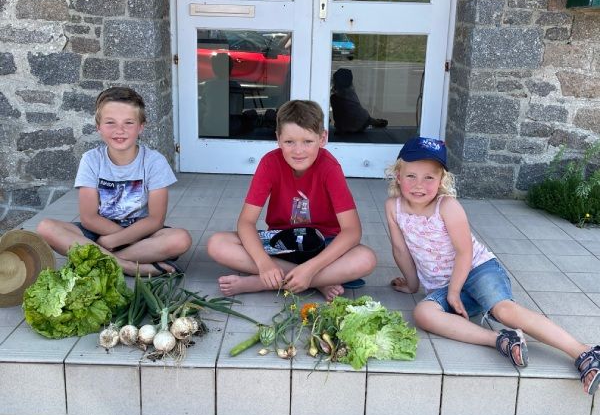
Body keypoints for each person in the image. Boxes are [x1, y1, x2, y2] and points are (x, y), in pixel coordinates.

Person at [385, 136, 600, 396]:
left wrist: (453, 293)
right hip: (445, 284)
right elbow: (400, 249)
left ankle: (584, 352)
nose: (419, 185)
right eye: (411, 176)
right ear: (398, 175)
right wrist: (412, 284)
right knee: (423, 314)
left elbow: (465, 253)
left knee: (504, 311)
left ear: (441, 180)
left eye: (429, 177)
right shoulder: (393, 207)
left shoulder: (448, 206)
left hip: (478, 270)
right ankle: (501, 340)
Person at [207, 100, 377, 301]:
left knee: (366, 259)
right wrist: (264, 263)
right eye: (289, 142)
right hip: (282, 241)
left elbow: (352, 231)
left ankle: (264, 282)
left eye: (307, 141)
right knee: (217, 244)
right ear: (278, 139)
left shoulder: (329, 168)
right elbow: (246, 222)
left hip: (323, 243)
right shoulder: (269, 163)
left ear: (322, 138)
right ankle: (316, 281)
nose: (298, 151)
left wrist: (311, 267)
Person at [37, 87, 192, 277]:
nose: (120, 130)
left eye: (129, 123)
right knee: (46, 227)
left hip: (139, 233)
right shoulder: (91, 159)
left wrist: (114, 242)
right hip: (97, 232)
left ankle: (96, 260)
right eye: (110, 123)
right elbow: (89, 218)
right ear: (98, 126)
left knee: (180, 239)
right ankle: (127, 266)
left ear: (141, 126)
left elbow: (155, 219)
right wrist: (111, 238)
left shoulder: (154, 161)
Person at [330, 68, 388, 134]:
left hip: (345, 128)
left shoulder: (335, 98)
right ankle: (375, 122)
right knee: (364, 117)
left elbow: (338, 115)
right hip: (361, 123)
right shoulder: (351, 93)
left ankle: (374, 122)